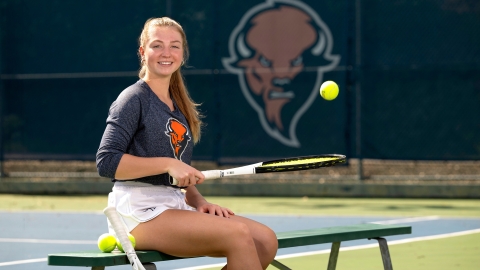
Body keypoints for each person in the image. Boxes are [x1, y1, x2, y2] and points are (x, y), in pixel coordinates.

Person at [96, 17, 278, 269]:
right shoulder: (133, 99)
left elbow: (177, 177)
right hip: (136, 212)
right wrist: (168, 163)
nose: (166, 53)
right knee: (237, 234)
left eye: (174, 46)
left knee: (265, 241)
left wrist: (200, 202)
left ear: (183, 53)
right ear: (143, 51)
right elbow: (107, 162)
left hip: (173, 204)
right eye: (157, 45)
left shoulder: (177, 106)